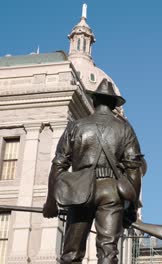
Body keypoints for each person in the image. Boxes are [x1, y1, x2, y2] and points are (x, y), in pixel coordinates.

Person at [43, 79, 144, 264]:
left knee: (71, 253)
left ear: (94, 101)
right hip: (111, 191)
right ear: (114, 105)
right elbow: (134, 170)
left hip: (80, 190)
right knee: (108, 252)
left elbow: (58, 165)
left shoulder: (76, 126)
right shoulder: (125, 129)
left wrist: (50, 202)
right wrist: (132, 206)